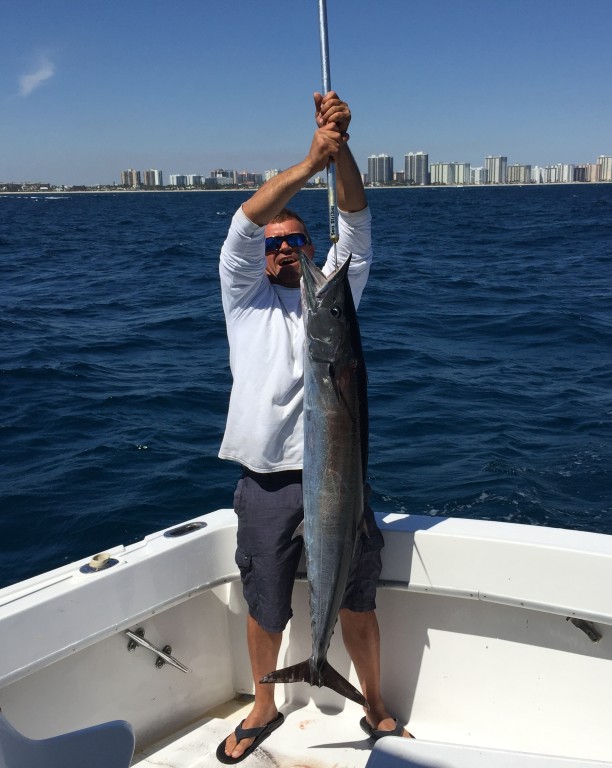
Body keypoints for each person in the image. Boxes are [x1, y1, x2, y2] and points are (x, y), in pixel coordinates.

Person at [216, 92, 411, 763]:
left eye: (296, 240)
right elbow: (245, 225)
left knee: (357, 598)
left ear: (308, 247)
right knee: (266, 603)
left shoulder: (332, 301)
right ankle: (265, 703)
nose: (284, 252)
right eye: (275, 243)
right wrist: (307, 163)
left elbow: (355, 223)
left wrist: (341, 147)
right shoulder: (243, 299)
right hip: (266, 485)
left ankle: (374, 705)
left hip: (339, 483)